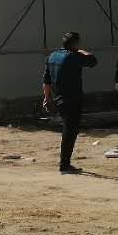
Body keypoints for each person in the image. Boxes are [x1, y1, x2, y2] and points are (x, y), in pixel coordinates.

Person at [42, 32, 98, 174]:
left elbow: (46, 80)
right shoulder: (73, 56)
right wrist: (82, 51)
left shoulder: (52, 56)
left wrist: (47, 98)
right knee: (70, 130)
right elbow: (93, 61)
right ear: (75, 43)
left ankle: (65, 163)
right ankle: (64, 165)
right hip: (72, 98)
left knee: (69, 128)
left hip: (58, 98)